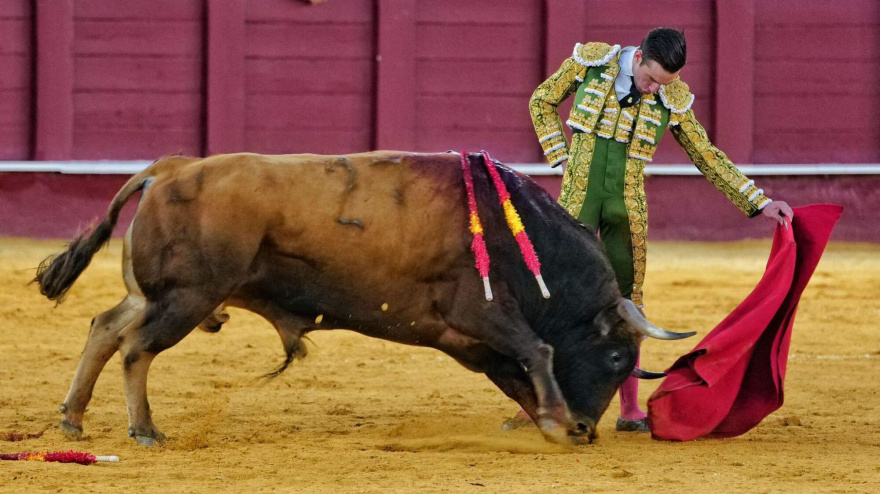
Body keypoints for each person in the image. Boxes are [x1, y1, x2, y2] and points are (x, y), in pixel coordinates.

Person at [528, 27, 794, 432]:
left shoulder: (672, 96)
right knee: (558, 298)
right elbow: (541, 101)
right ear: (637, 59)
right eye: (650, 79)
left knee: (629, 304)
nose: (654, 90)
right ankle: (534, 400)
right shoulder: (591, 64)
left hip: (628, 211)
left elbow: (706, 154)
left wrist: (757, 201)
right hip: (575, 203)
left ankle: (629, 408)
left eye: (664, 83)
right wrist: (560, 156)